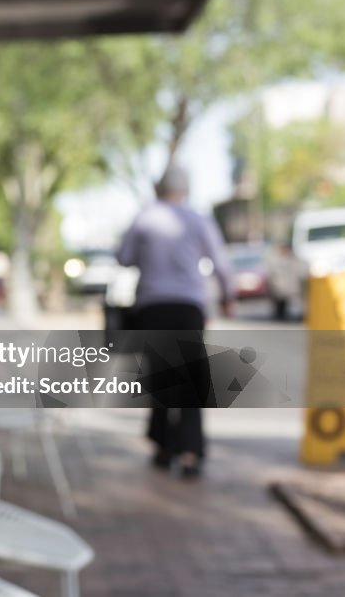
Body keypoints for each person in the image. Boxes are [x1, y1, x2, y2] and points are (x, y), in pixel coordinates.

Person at [116, 164, 235, 479]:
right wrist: (228, 296)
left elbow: (123, 257)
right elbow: (221, 263)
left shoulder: (145, 218)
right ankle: (190, 453)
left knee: (161, 378)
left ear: (159, 188)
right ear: (185, 189)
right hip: (188, 308)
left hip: (152, 307)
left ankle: (163, 447)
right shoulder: (198, 220)